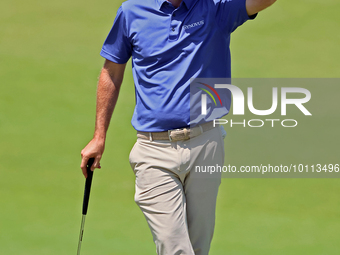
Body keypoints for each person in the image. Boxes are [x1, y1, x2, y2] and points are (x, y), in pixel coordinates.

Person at [80, 0, 276, 254]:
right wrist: (99, 136)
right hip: (153, 151)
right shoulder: (132, 11)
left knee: (198, 247)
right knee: (177, 249)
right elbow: (112, 72)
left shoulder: (216, 8)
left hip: (206, 144)